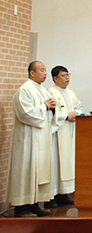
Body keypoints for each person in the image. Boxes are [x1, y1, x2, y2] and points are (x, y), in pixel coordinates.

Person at [9, 61, 58, 217]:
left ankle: (34, 204)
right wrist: (45, 106)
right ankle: (21, 208)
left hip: (40, 138)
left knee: (37, 172)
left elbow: (48, 112)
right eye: (42, 70)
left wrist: (52, 108)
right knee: (25, 171)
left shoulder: (42, 90)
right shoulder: (25, 90)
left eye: (45, 70)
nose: (45, 73)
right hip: (27, 139)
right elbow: (25, 114)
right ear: (32, 73)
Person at [45, 66, 84, 208]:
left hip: (69, 132)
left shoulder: (70, 93)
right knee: (55, 164)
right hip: (56, 134)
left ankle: (63, 194)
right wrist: (66, 116)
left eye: (68, 75)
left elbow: (79, 107)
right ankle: (51, 197)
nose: (67, 78)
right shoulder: (50, 92)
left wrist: (77, 113)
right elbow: (49, 115)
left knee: (67, 162)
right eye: (63, 75)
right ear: (55, 78)